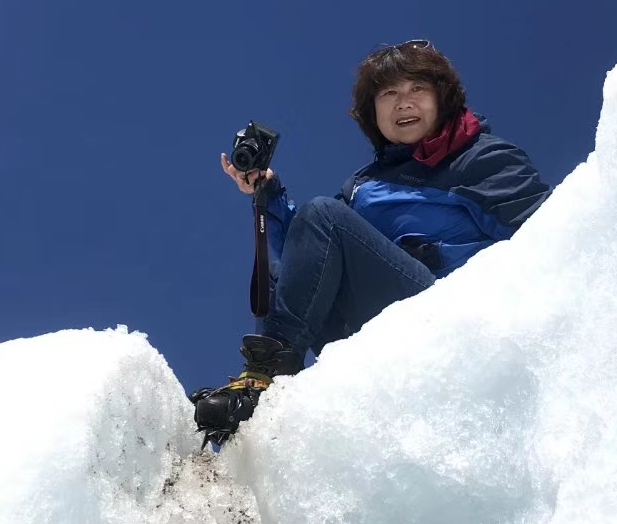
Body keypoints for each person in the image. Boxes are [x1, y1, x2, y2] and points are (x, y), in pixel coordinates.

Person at [190, 40, 551, 443]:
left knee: (323, 214)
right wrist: (267, 194)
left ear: (442, 98)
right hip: (373, 329)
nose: (403, 103)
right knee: (291, 260)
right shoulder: (365, 185)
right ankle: (268, 411)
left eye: (417, 89)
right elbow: (308, 259)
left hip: (449, 326)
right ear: (372, 112)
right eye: (388, 94)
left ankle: (266, 378)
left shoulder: (483, 159)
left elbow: (549, 241)